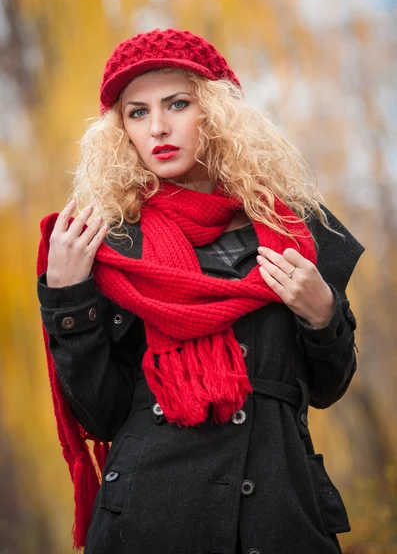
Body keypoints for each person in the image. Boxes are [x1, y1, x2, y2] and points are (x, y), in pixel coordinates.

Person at [37, 28, 364, 554]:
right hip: (151, 520)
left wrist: (323, 315)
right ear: (120, 131)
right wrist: (67, 298)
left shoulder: (294, 230)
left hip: (279, 517)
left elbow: (327, 388)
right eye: (137, 112)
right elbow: (100, 415)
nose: (159, 127)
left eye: (178, 103)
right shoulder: (111, 243)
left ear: (217, 111)